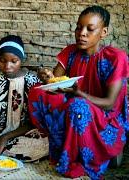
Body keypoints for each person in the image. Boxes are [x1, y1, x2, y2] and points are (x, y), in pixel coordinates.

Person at [29, 5, 128, 179]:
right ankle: (61, 147)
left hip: (104, 117)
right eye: (78, 27)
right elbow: (54, 85)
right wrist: (46, 77)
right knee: (37, 93)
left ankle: (89, 159)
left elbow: (110, 103)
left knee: (77, 106)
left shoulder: (115, 58)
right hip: (74, 106)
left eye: (90, 29)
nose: (82, 33)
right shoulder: (70, 52)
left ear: (103, 32)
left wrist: (79, 94)